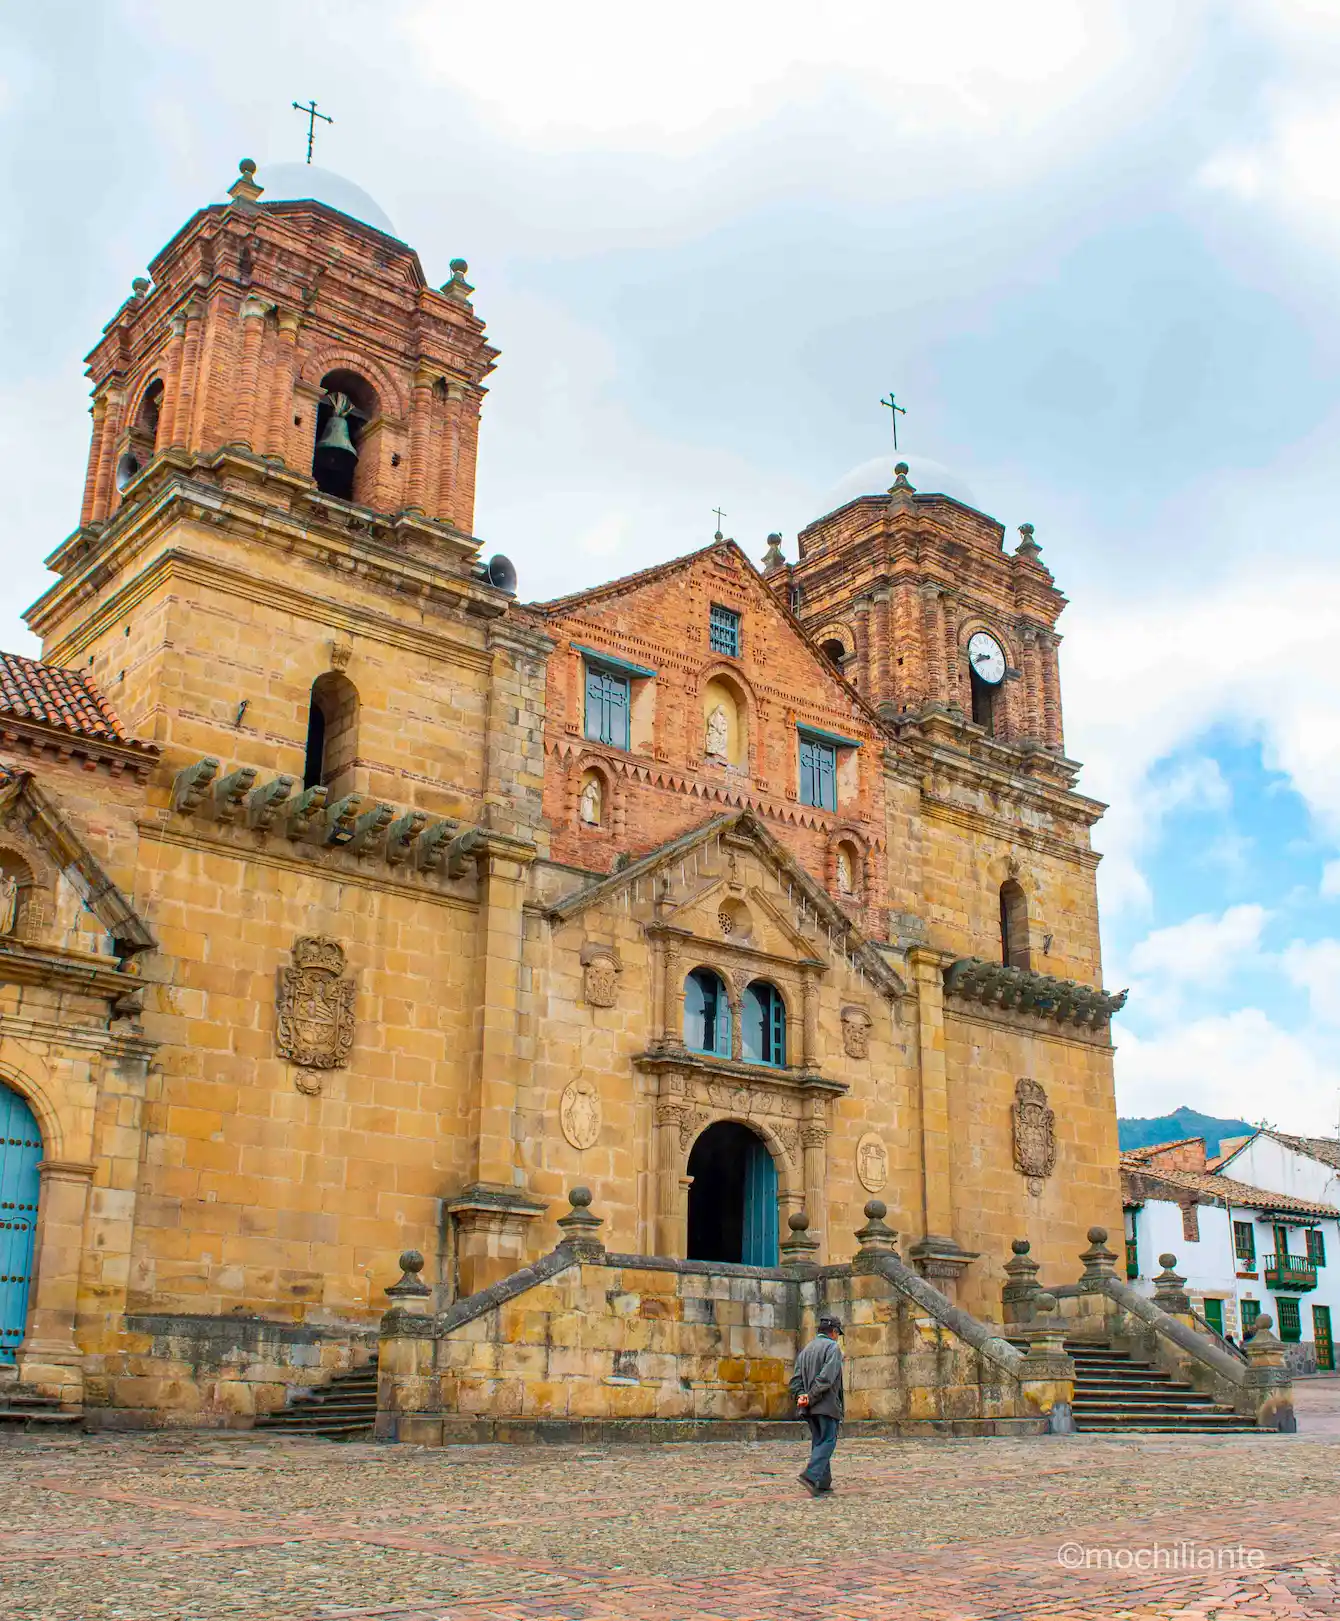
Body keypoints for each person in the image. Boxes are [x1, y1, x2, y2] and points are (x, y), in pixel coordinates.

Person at [790, 1314, 843, 1496]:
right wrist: (811, 1396)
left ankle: (822, 1482)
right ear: (834, 1332)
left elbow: (795, 1380)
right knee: (828, 1440)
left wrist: (801, 1396)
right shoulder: (833, 1348)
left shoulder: (806, 1350)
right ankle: (811, 1476)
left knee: (819, 1441)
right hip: (825, 1404)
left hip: (809, 1407)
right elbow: (826, 1378)